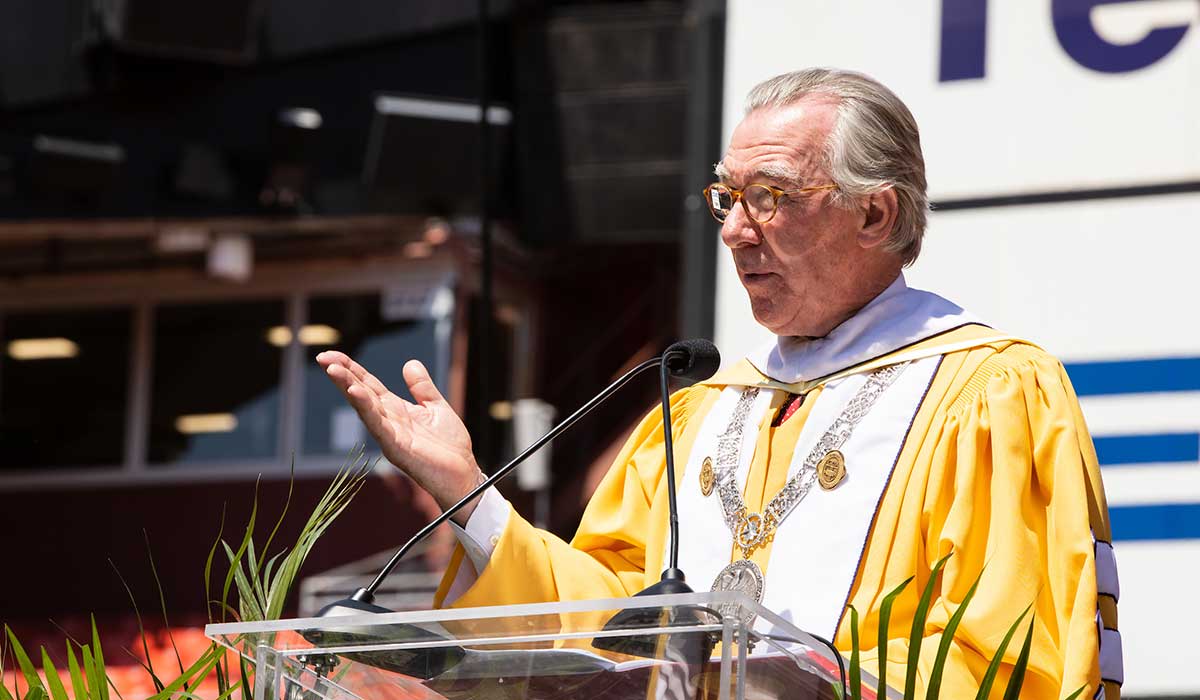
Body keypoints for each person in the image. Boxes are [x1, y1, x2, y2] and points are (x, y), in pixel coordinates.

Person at [318, 68, 1122, 699]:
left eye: (772, 196)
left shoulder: (988, 393)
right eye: (728, 197)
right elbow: (607, 632)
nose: (737, 230)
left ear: (876, 215)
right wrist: (470, 494)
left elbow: (1020, 656)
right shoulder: (703, 409)